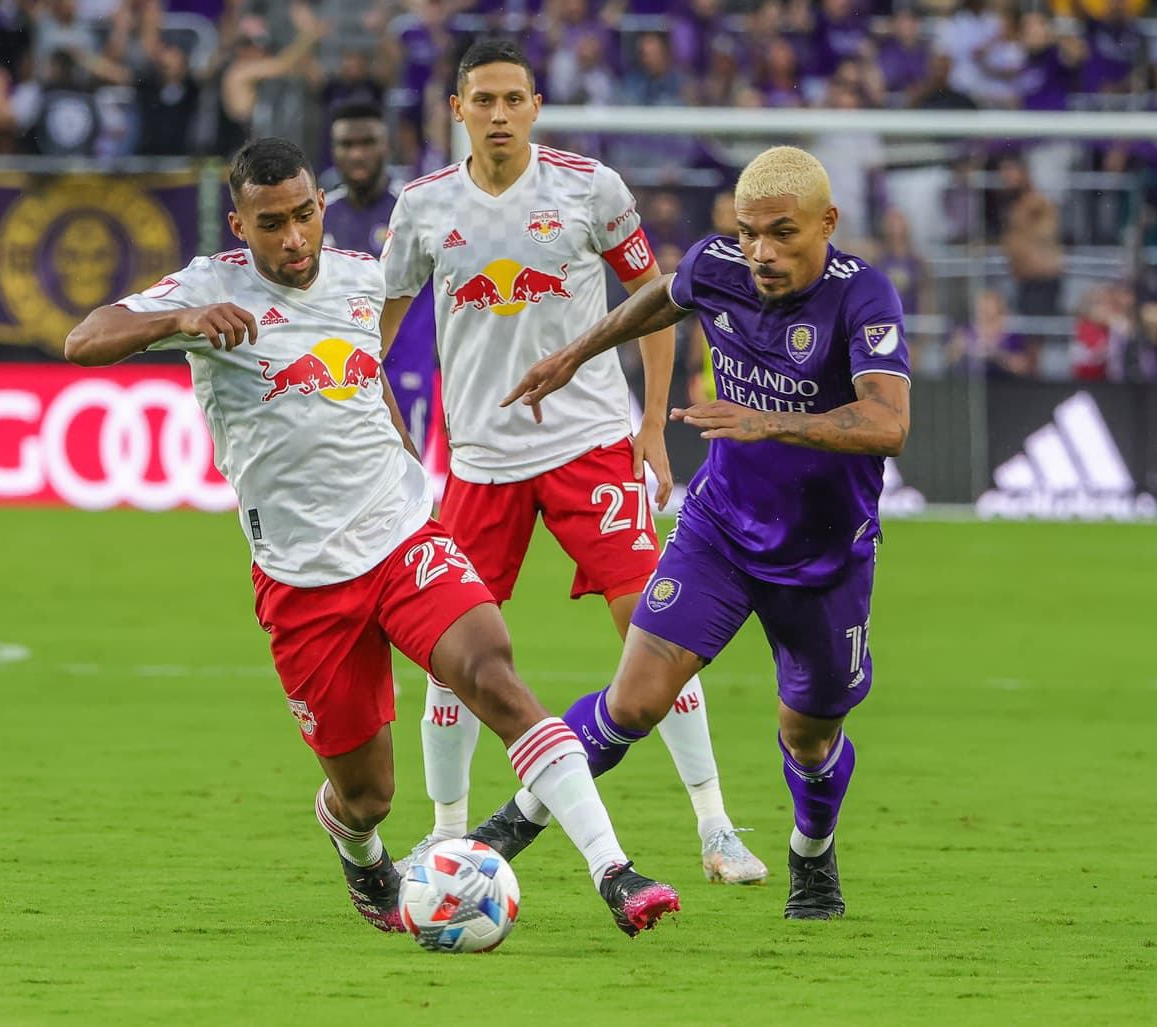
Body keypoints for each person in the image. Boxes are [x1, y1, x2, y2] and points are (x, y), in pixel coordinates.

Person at [62, 136, 678, 938]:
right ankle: (361, 853)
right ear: (239, 223)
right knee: (367, 794)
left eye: (305, 215)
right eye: (272, 222)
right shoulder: (210, 285)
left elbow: (367, 373)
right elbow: (83, 341)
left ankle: (614, 871)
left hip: (400, 541)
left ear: (322, 206)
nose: (293, 238)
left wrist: (405, 470)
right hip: (303, 577)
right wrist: (179, 318)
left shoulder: (360, 276)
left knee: (492, 672)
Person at [380, 39, 765, 886]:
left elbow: (659, 303)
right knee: (454, 654)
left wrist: (654, 427)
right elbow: (376, 326)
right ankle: (447, 837)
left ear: (537, 105)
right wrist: (381, 420)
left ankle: (715, 824)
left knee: (655, 630)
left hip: (589, 446)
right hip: (480, 462)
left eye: (514, 98)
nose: (500, 114)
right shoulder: (423, 208)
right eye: (483, 100)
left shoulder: (591, 189)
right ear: (458, 110)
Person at [496, 145, 912, 920]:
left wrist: (765, 422)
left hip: (824, 556)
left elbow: (889, 423)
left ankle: (811, 854)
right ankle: (511, 824)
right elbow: (663, 296)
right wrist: (576, 351)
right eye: (749, 232)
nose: (761, 252)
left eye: (782, 233)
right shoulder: (721, 265)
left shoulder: (865, 298)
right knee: (635, 699)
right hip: (719, 531)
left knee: (811, 737)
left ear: (828, 223)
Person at [322, 102, 437, 458]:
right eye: (346, 144)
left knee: (407, 482)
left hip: (405, 367)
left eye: (368, 142)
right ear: (334, 151)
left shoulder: (414, 209)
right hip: (339, 373)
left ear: (387, 147)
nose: (357, 154)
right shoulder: (321, 217)